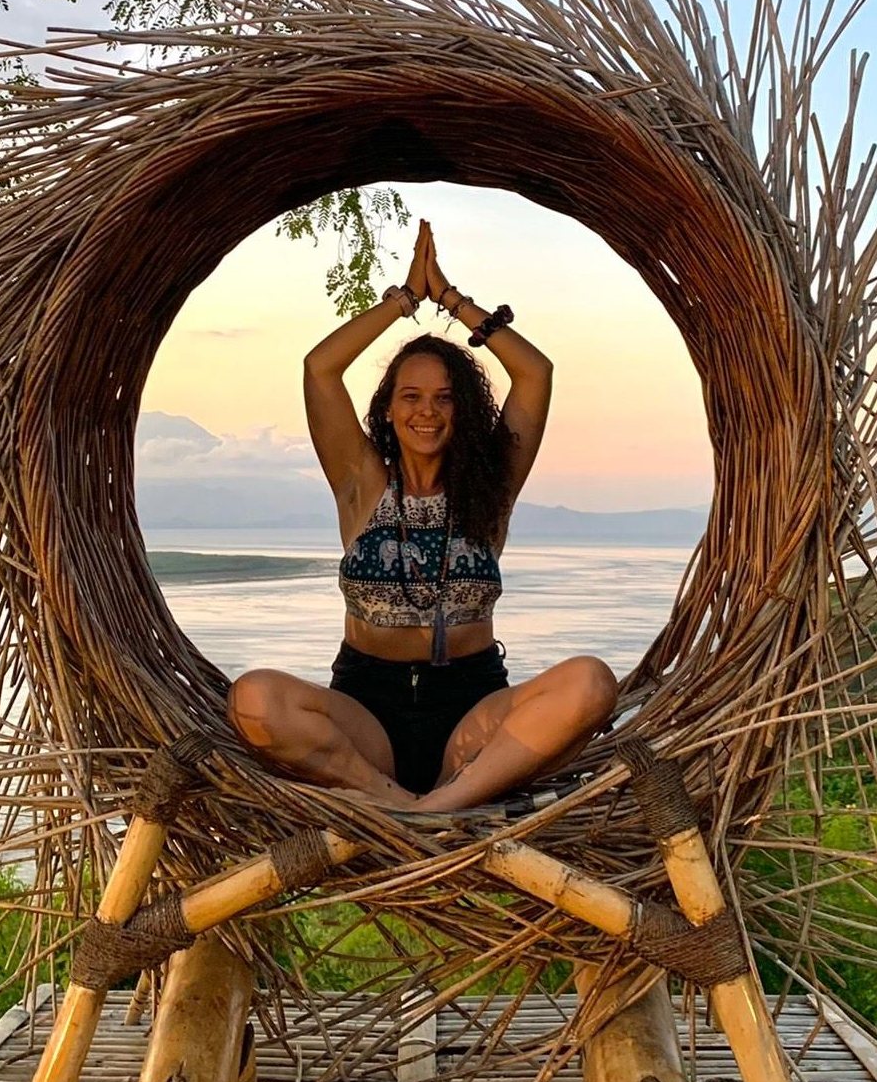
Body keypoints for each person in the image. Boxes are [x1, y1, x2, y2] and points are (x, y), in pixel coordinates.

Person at [228, 221, 618, 811]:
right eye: (411, 396)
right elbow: (320, 368)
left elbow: (536, 373)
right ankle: (402, 802)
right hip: (367, 710)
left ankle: (433, 806)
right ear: (387, 410)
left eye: (444, 397)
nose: (427, 412)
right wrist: (404, 302)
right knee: (253, 698)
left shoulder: (490, 488)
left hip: (473, 709)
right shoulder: (361, 482)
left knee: (592, 682)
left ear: (463, 410)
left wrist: (456, 305)